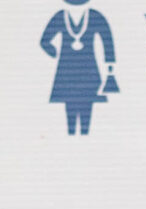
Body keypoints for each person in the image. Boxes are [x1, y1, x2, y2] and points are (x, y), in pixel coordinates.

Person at [41, 4, 116, 135]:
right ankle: (72, 136)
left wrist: (109, 62)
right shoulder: (60, 16)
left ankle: (84, 136)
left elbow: (107, 39)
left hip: (88, 69)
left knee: (87, 105)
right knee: (70, 106)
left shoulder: (94, 16)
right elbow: (44, 41)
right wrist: (54, 52)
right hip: (67, 71)